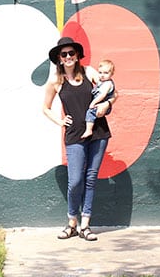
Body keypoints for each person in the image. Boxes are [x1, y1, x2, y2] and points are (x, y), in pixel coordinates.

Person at [42, 37, 115, 242]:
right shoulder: (56, 81)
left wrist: (106, 106)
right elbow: (44, 108)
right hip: (74, 135)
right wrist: (60, 121)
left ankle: (85, 225)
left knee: (91, 179)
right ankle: (71, 223)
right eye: (63, 54)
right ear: (59, 58)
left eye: (71, 53)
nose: (68, 57)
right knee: (75, 181)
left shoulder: (89, 72)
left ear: (77, 55)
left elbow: (112, 91)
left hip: (98, 133)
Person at [81, 59, 115, 139]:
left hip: (101, 104)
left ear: (111, 74)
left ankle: (89, 129)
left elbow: (102, 95)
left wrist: (93, 103)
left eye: (106, 73)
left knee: (90, 113)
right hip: (99, 103)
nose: (102, 75)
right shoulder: (101, 81)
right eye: (100, 72)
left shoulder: (108, 83)